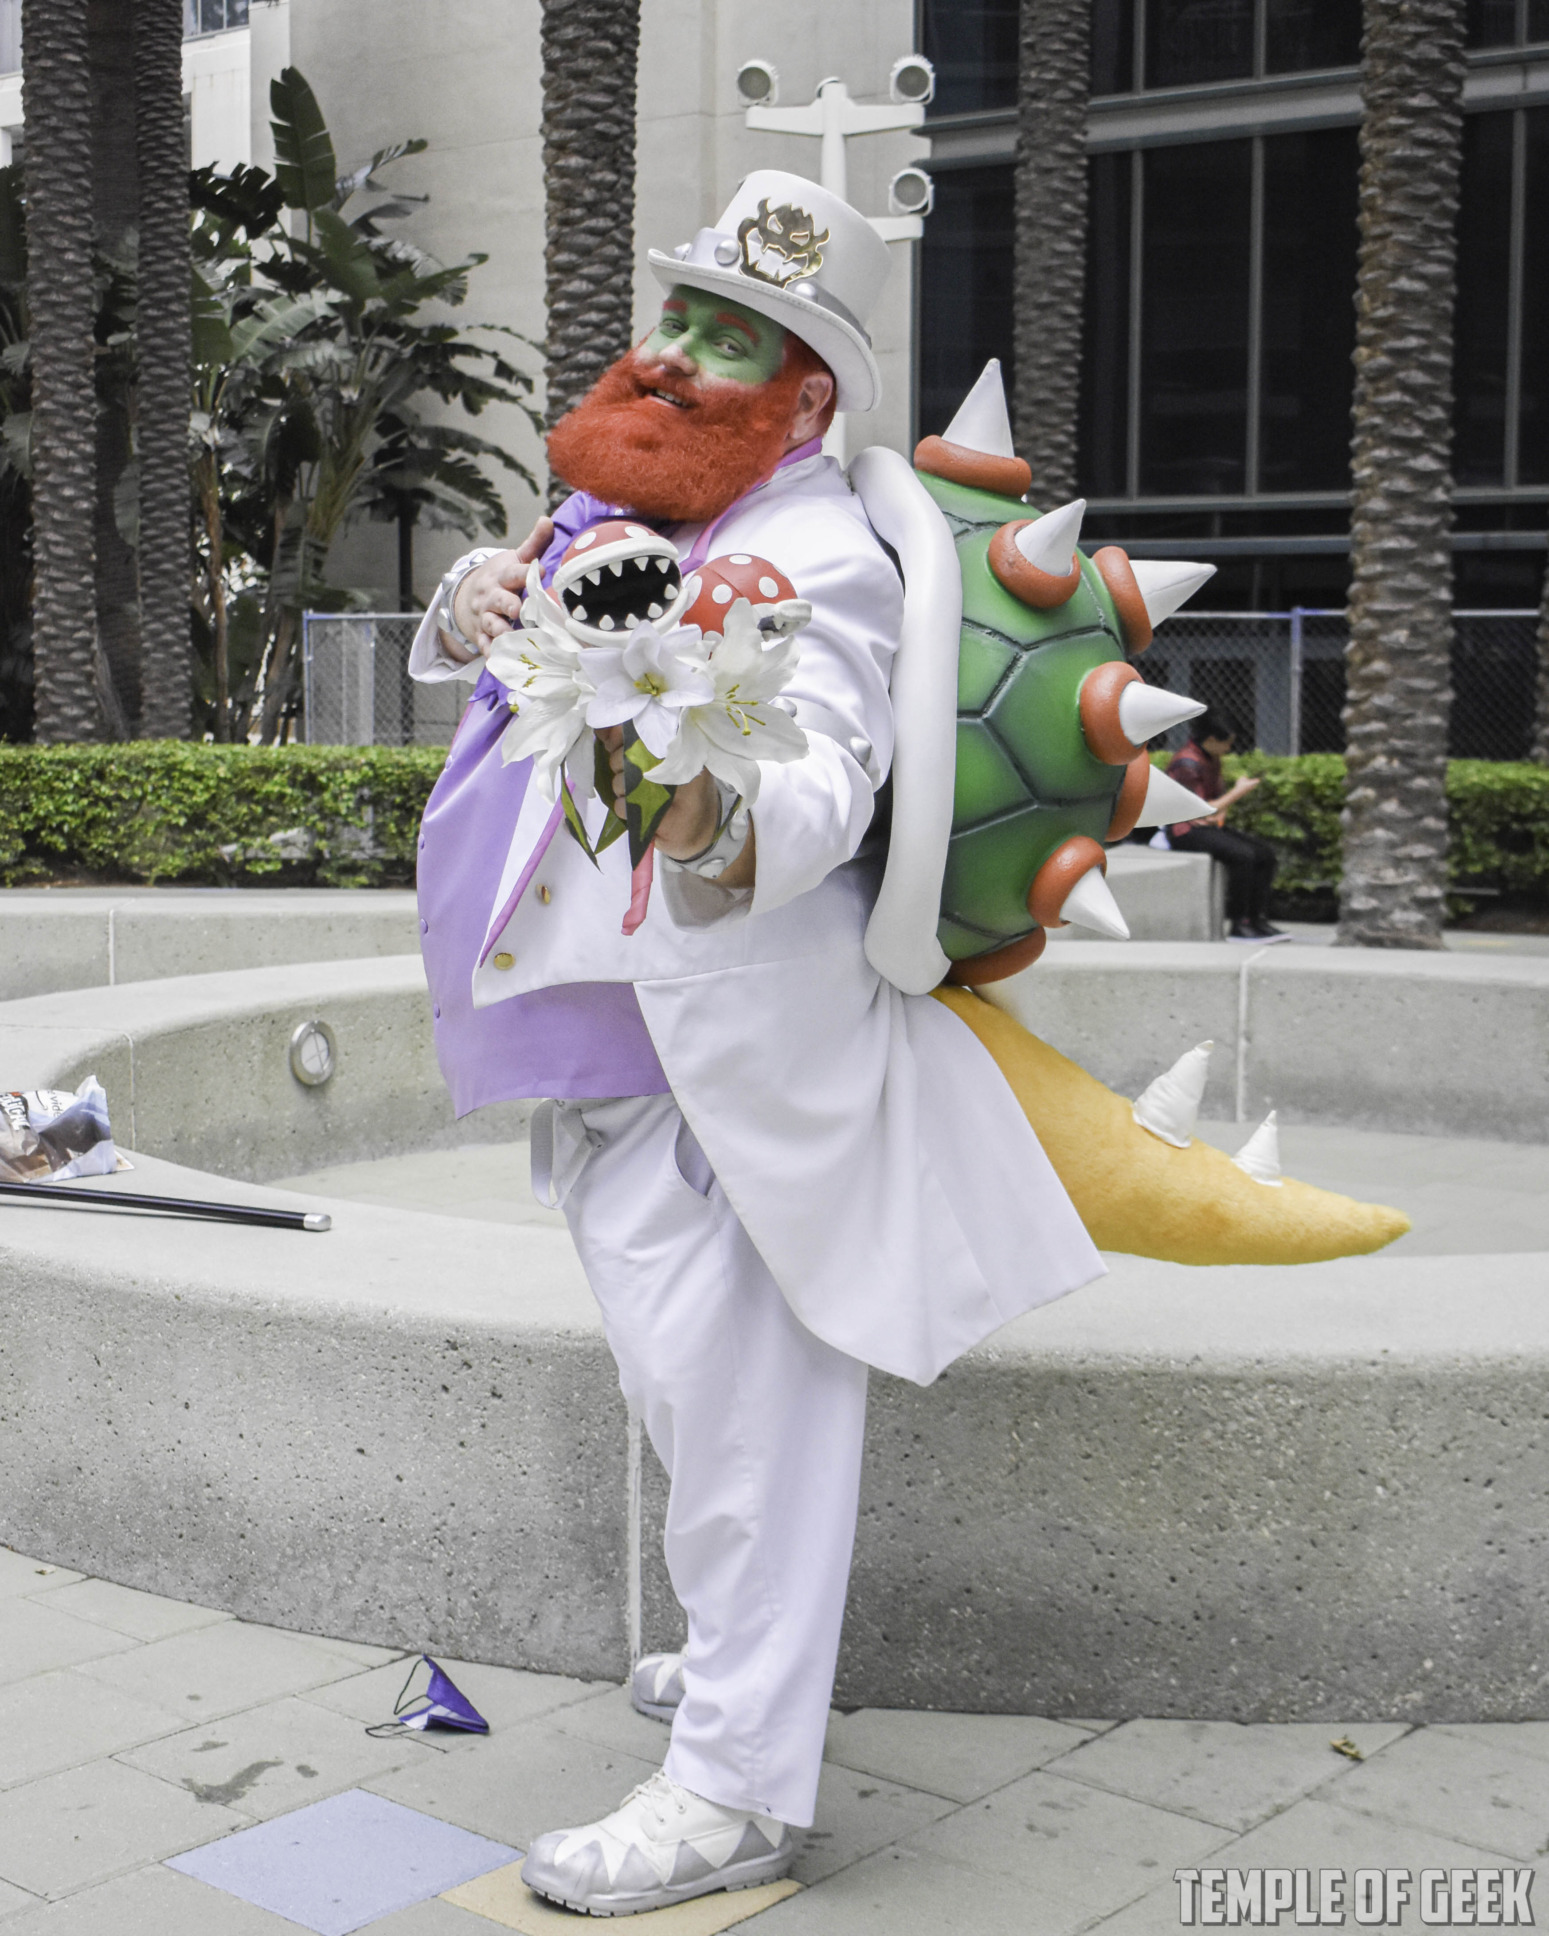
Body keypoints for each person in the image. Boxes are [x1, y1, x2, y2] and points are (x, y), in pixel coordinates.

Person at [408, 169, 1103, 1917]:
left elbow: (820, 777)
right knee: (686, 1401)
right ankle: (741, 1672)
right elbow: (526, 634)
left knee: (744, 1437)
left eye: (734, 339)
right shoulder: (635, 506)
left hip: (710, 1077)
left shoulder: (809, 556)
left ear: (805, 404)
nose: (675, 353)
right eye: (678, 316)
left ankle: (733, 1793)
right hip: (608, 1052)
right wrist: (475, 593)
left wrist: (712, 805)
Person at [1164, 708, 1286, 943]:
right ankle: (1240, 924)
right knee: (1243, 856)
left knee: (1265, 854)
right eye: (1227, 743)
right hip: (1184, 831)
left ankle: (1257, 919)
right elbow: (1201, 809)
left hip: (1205, 826)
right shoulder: (1186, 763)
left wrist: (1219, 811)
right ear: (1211, 739)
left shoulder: (1211, 757)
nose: (1229, 748)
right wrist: (1238, 792)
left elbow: (1215, 802)